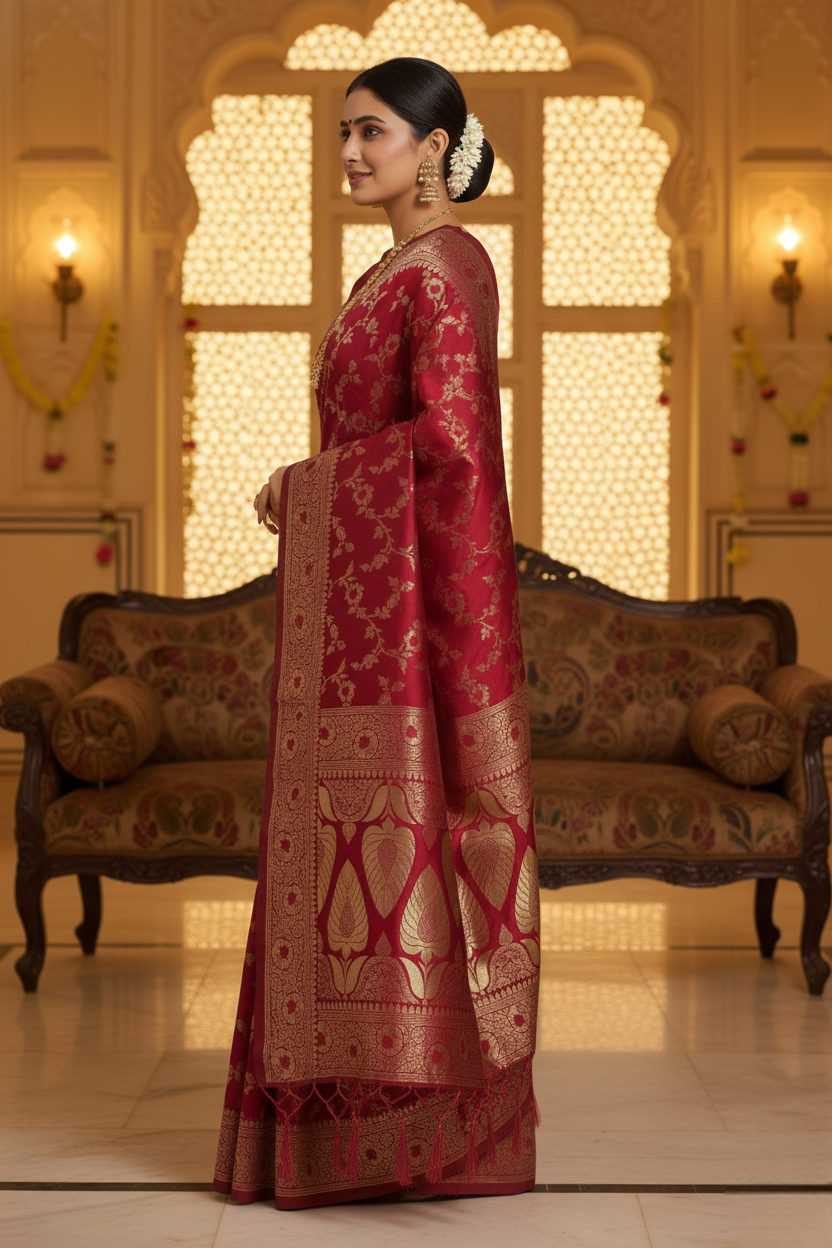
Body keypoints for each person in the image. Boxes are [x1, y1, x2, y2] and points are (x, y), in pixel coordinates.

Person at [213, 57, 540, 1210]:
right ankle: (344, 1129)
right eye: (342, 134)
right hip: (369, 626)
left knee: (410, 866)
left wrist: (305, 485)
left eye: (372, 132)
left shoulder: (447, 269)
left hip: (416, 632)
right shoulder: (392, 270)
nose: (350, 153)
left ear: (434, 145)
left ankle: (416, 1133)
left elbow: (451, 445)